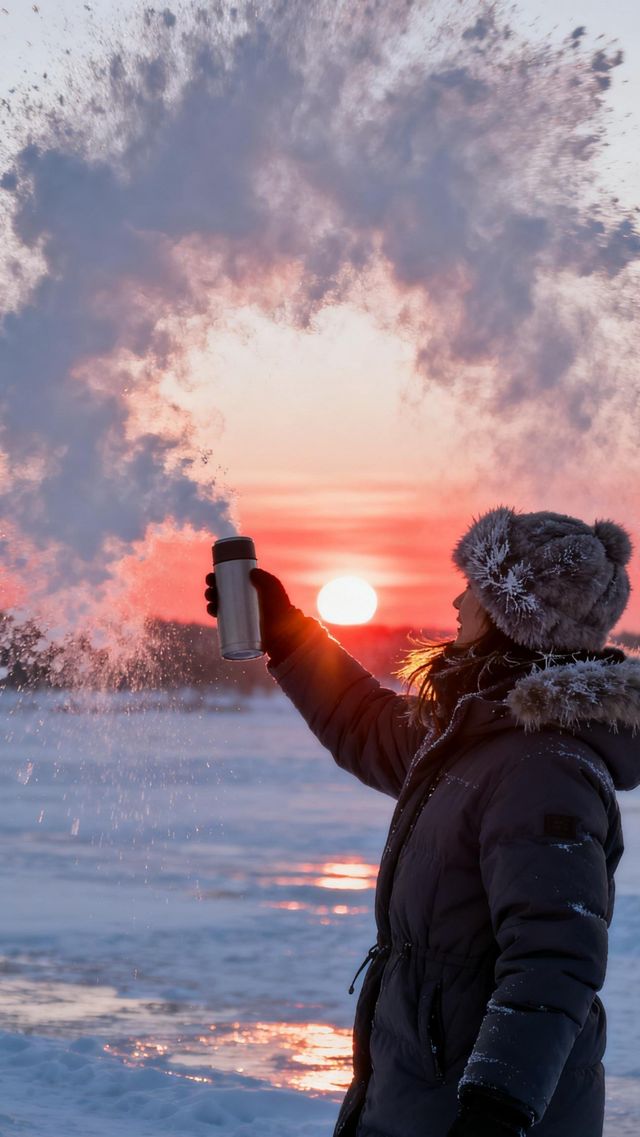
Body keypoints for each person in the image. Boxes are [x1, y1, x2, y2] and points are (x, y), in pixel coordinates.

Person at [204, 506, 640, 1137]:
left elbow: (554, 958)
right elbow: (368, 725)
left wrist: (497, 1104)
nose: (459, 600)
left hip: (472, 1110)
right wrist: (290, 633)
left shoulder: (543, 767)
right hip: (420, 1096)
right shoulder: (482, 734)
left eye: (477, 589)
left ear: (514, 612)